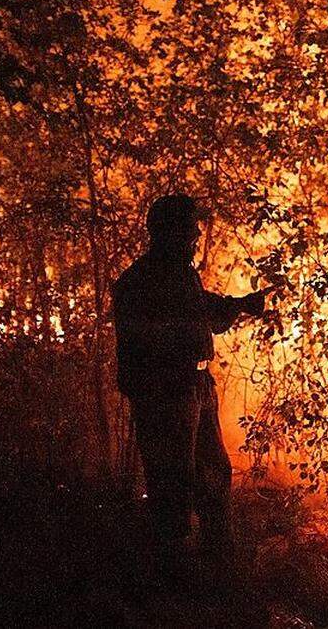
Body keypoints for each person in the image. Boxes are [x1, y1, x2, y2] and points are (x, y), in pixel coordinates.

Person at [112, 193, 268, 578]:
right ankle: (174, 577)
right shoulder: (141, 282)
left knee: (212, 473)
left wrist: (241, 304)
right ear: (169, 232)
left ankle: (216, 565)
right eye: (190, 230)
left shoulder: (179, 274)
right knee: (172, 481)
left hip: (195, 385)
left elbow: (203, 309)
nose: (197, 235)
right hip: (169, 391)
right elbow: (185, 320)